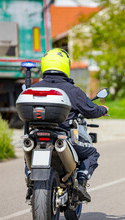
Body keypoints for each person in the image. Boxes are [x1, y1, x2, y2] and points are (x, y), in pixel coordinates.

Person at [32, 48, 109, 202]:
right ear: (65, 66)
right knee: (91, 153)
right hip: (63, 138)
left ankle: (30, 175)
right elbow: (91, 111)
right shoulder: (73, 91)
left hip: (36, 137)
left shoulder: (33, 88)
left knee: (31, 150)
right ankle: (81, 180)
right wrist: (103, 109)